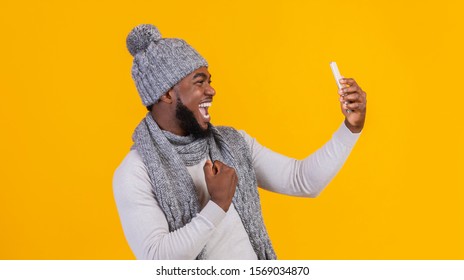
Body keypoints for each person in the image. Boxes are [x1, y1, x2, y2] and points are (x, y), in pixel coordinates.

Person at [113, 24, 367, 260]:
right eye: (199, 82)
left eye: (209, 82)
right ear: (167, 93)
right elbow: (157, 258)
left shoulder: (232, 143)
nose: (211, 90)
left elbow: (301, 180)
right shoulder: (135, 172)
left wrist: (351, 128)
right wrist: (218, 204)